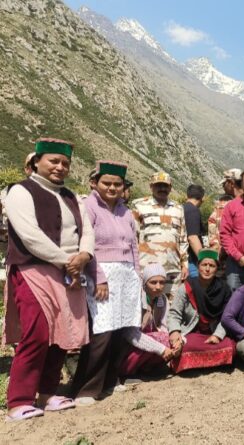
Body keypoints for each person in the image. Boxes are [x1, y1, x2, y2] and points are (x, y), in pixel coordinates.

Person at [4, 138, 94, 421]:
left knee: (62, 334)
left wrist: (85, 255)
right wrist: (66, 261)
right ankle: (18, 401)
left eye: (65, 163)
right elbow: (29, 235)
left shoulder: (72, 196)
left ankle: (46, 393)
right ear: (36, 162)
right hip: (34, 269)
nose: (60, 167)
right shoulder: (19, 191)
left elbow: (87, 230)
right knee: (38, 333)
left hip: (68, 272)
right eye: (53, 161)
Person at [70, 161, 142, 406]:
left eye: (117, 184)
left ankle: (111, 381)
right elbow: (86, 245)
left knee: (122, 330)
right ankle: (87, 389)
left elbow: (133, 245)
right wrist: (98, 277)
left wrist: (137, 275)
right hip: (101, 275)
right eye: (107, 183)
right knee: (101, 332)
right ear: (94, 183)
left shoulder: (126, 211)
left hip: (126, 276)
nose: (112, 188)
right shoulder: (88, 207)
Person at [167, 249, 235, 373]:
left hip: (213, 332)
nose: (207, 269)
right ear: (198, 266)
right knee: (186, 346)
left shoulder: (224, 289)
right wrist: (175, 332)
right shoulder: (186, 287)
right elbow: (174, 313)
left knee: (229, 346)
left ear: (216, 269)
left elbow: (227, 317)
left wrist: (217, 336)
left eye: (212, 266)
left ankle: (198, 364)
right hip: (192, 332)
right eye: (204, 265)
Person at [132, 172, 188, 296]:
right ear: (151, 186)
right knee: (145, 306)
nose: (162, 189)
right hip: (146, 268)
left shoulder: (178, 208)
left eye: (165, 186)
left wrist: (184, 265)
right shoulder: (139, 206)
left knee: (171, 308)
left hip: (172, 269)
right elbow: (133, 238)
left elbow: (183, 239)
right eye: (158, 185)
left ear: (170, 187)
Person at [119, 264, 176, 379]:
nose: (158, 286)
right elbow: (130, 334)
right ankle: (128, 371)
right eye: (153, 282)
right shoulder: (136, 299)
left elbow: (165, 326)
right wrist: (161, 349)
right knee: (162, 340)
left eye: (162, 282)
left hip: (148, 339)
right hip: (129, 345)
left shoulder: (162, 299)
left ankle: (147, 368)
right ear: (145, 283)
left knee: (169, 340)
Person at [0, 152, 35, 270]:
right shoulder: (10, 191)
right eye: (32, 165)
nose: (36, 168)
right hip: (17, 258)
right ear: (26, 169)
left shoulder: (59, 195)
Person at [207, 168, 242, 252]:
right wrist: (216, 248)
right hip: (223, 254)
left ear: (231, 183)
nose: (223, 186)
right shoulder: (221, 203)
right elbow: (212, 224)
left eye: (224, 183)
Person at [183, 184, 206, 279]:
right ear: (202, 198)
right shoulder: (193, 210)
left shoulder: (181, 208)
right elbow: (192, 237)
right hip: (191, 261)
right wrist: (204, 259)